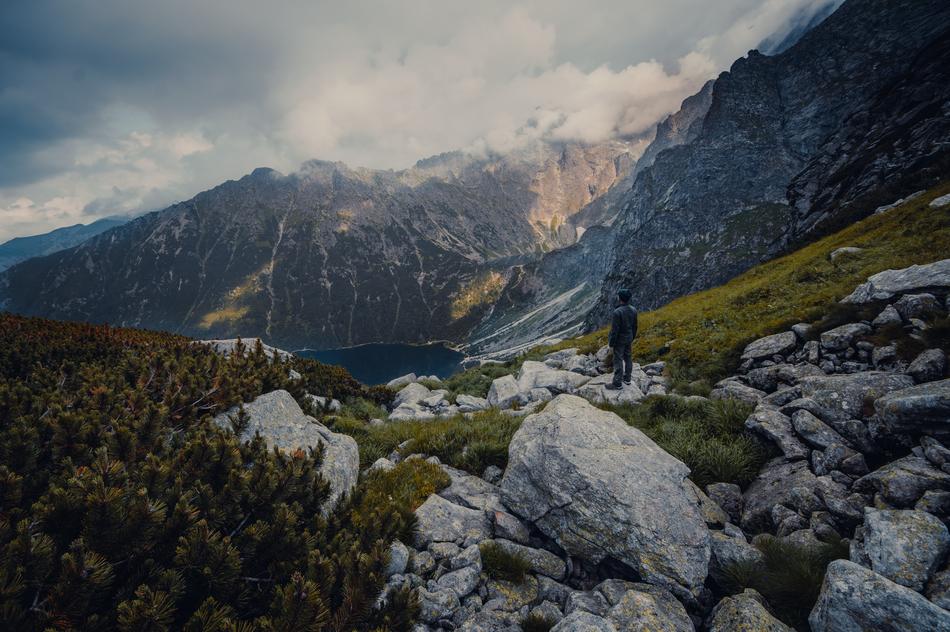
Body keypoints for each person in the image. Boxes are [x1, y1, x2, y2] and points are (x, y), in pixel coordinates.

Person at [606, 288, 638, 390]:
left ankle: (617, 383)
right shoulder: (633, 310)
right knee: (628, 357)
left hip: (619, 340)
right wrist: (632, 337)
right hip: (629, 337)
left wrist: (611, 344)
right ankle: (627, 379)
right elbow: (635, 326)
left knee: (618, 359)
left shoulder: (617, 312)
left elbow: (614, 330)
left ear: (620, 298)